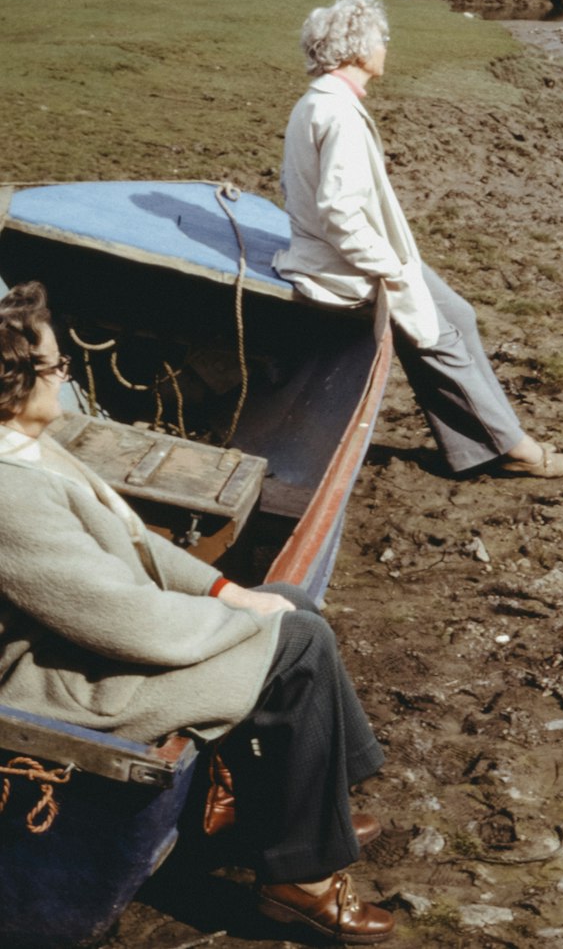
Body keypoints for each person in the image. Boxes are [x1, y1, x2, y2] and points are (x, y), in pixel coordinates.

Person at [0, 281, 394, 944]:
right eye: (58, 365)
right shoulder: (10, 493)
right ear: (13, 382)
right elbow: (122, 620)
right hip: (62, 683)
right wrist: (250, 625)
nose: (66, 376)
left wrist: (227, 594)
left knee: (289, 605)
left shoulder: (28, 448)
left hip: (90, 645)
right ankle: (299, 883)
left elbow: (136, 549)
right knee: (294, 638)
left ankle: (308, 812)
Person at [273, 0, 563, 479]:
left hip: (350, 252)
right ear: (358, 50)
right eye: (383, 40)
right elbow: (340, 214)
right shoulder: (340, 116)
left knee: (457, 312)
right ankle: (516, 448)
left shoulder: (318, 101)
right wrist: (389, 268)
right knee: (438, 338)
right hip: (345, 262)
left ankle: (473, 446)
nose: (387, 48)